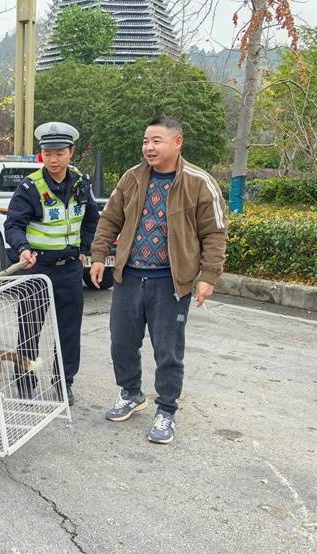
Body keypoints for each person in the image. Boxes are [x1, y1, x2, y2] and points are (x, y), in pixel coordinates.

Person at [89, 116, 227, 444]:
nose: (148, 147)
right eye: (145, 141)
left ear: (177, 142)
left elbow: (215, 232)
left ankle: (166, 409)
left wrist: (208, 276)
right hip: (129, 276)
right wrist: (98, 256)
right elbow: (109, 219)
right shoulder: (132, 178)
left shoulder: (199, 182)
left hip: (170, 282)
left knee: (168, 350)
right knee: (122, 342)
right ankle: (131, 393)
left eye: (156, 141)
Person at [4, 122, 100, 406]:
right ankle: (25, 380)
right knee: (30, 328)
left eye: (59, 153)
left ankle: (63, 382)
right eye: (48, 154)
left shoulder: (81, 183)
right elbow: (13, 225)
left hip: (69, 268)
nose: (53, 159)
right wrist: (23, 248)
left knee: (68, 331)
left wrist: (84, 249)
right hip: (36, 267)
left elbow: (92, 219)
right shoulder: (30, 186)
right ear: (41, 154)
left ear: (71, 152)